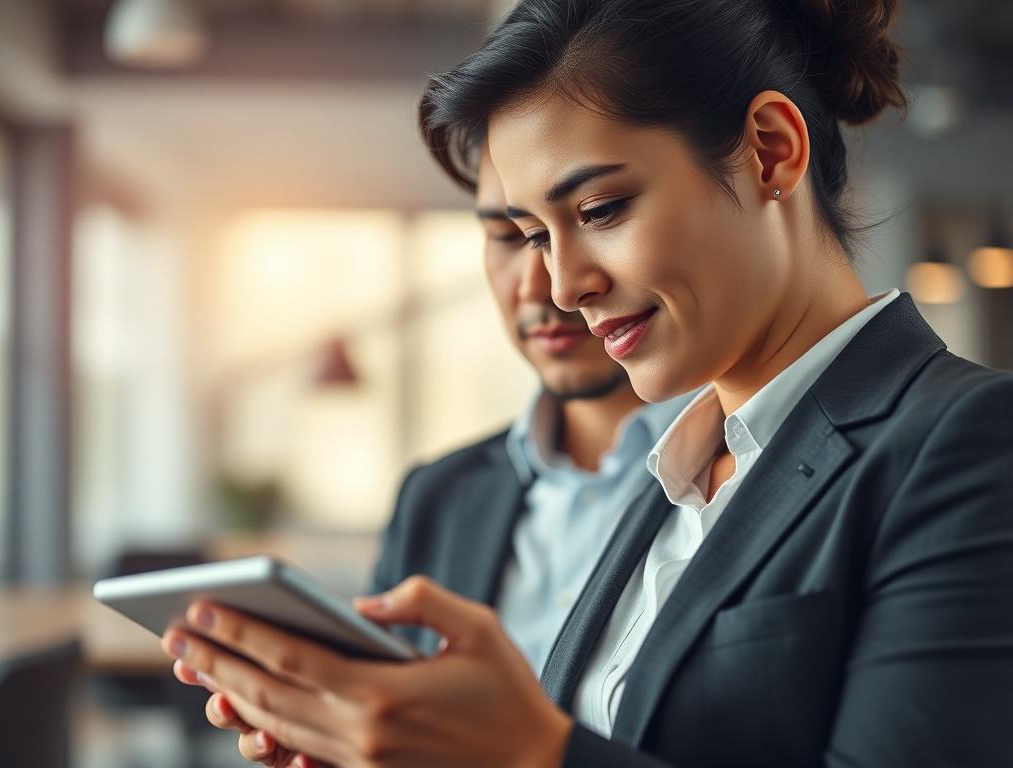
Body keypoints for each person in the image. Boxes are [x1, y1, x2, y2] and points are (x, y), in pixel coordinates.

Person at [161, 1, 1013, 766]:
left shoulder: (971, 442)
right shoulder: (673, 479)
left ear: (770, 151)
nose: (563, 286)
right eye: (533, 234)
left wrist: (531, 751)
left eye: (600, 211)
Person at [172, 147, 693, 765]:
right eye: (510, 236)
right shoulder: (434, 493)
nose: (542, 285)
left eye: (597, 213)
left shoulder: (738, 465)